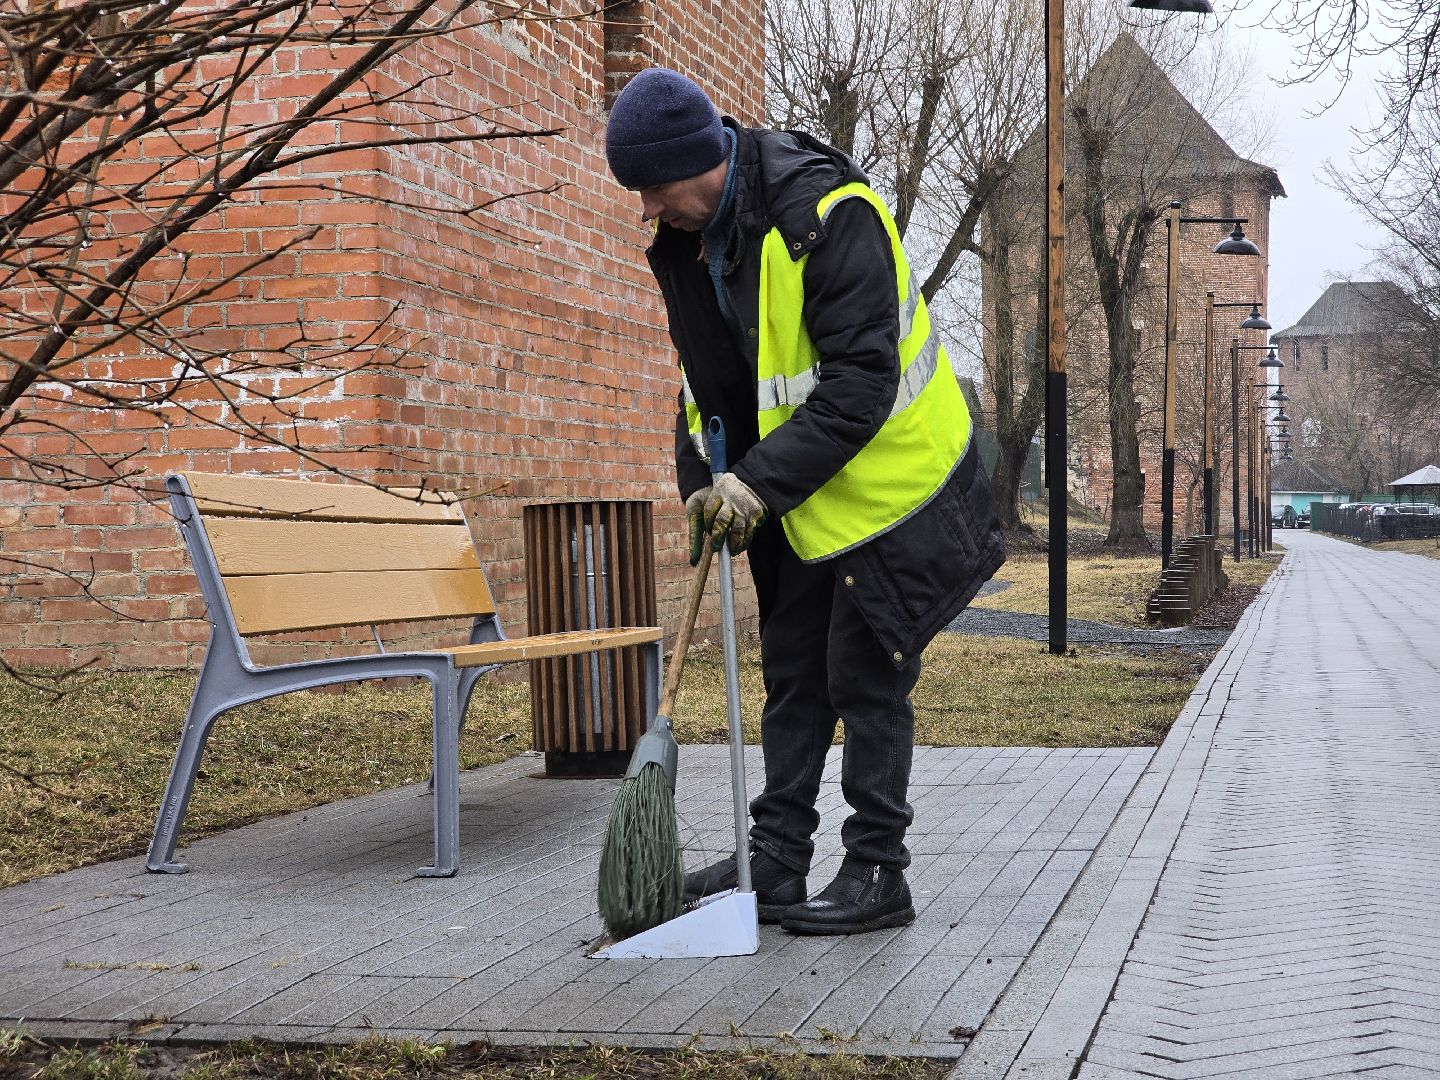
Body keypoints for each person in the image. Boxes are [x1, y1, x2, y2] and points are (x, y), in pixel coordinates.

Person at [605, 68, 1006, 936]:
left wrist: (753, 484)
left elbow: (863, 382)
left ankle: (877, 872)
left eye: (651, 188)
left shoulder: (825, 212)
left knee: (865, 679)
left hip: (896, 487)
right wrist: (697, 483)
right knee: (793, 675)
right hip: (797, 494)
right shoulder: (689, 244)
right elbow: (704, 385)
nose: (644, 210)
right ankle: (775, 864)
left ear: (699, 161)